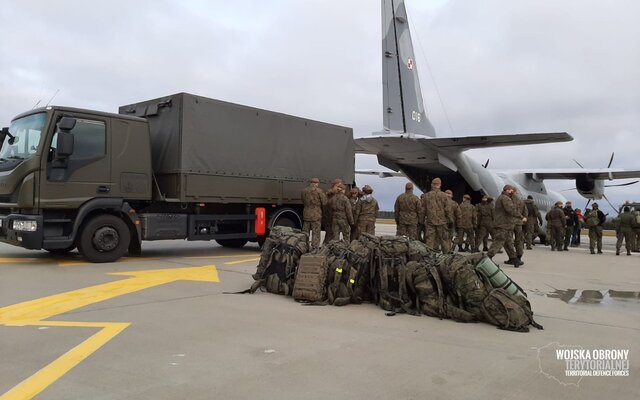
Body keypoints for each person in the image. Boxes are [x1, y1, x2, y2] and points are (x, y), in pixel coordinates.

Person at [487, 185, 521, 266]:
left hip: (507, 224)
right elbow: (511, 209)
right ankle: (488, 257)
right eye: (511, 190)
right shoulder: (505, 198)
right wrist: (521, 217)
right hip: (503, 224)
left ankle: (514, 259)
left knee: (509, 243)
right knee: (499, 241)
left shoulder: (506, 197)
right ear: (508, 190)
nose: (513, 192)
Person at [422, 178, 452, 253]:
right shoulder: (444, 196)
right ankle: (447, 259)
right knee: (444, 241)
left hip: (430, 222)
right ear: (440, 185)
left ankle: (428, 259)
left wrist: (421, 221)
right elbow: (448, 210)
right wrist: (450, 221)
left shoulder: (426, 196)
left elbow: (422, 210)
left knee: (429, 241)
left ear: (432, 185)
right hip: (442, 222)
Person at [301, 177, 327, 249]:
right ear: (317, 183)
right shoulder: (319, 191)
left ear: (310, 183)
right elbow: (324, 202)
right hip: (316, 215)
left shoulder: (304, 191)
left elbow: (303, 200)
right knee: (316, 233)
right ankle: (314, 249)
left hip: (306, 214)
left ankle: (303, 247)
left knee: (305, 233)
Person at [322, 179, 343, 243]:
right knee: (329, 235)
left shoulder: (337, 194)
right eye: (338, 186)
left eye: (340, 187)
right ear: (333, 186)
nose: (339, 188)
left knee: (333, 235)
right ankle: (325, 249)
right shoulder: (330, 194)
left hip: (333, 218)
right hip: (329, 218)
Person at [511, 190, 527, 264]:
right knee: (519, 240)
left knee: (509, 241)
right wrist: (523, 220)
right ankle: (519, 257)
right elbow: (525, 213)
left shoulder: (508, 200)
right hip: (519, 223)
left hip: (510, 222)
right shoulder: (522, 202)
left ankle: (512, 258)